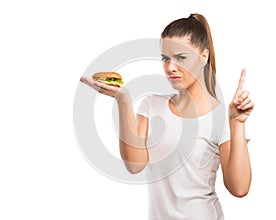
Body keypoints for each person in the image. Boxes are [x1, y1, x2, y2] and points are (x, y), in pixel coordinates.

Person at [80, 13, 254, 220]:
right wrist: (123, 101)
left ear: (203, 56)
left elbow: (239, 188)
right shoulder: (152, 105)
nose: (170, 67)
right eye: (165, 58)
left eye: (181, 57)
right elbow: (134, 165)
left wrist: (237, 123)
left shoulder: (220, 117)